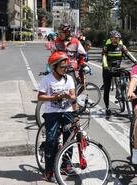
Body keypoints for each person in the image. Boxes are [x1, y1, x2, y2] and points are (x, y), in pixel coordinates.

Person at [38, 51, 77, 182]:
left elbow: (73, 97)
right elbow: (40, 97)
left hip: (67, 111)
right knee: (51, 140)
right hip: (52, 113)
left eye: (66, 66)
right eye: (62, 66)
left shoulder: (69, 79)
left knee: (70, 137)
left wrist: (75, 113)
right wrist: (54, 97)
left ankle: (66, 164)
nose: (65, 69)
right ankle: (49, 170)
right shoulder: (47, 79)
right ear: (54, 66)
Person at [102, 30, 137, 116]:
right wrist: (106, 66)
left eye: (117, 39)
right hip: (108, 70)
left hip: (118, 69)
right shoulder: (106, 47)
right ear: (110, 39)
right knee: (107, 89)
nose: (115, 40)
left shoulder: (122, 47)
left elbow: (128, 54)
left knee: (129, 75)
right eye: (114, 38)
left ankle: (126, 91)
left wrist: (135, 61)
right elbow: (104, 57)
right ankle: (107, 108)